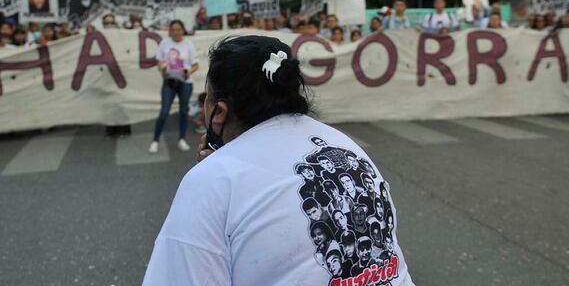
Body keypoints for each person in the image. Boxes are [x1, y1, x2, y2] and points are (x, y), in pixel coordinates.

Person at [142, 35, 414, 285]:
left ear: (219, 111)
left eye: (207, 98)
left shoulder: (212, 181)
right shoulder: (344, 145)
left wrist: (214, 175)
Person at [149, 20, 199, 153]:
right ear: (170, 31)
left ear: (183, 30)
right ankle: (155, 140)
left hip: (185, 82)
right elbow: (159, 62)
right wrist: (163, 69)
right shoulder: (164, 43)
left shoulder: (188, 44)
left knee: (183, 111)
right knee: (164, 111)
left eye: (178, 29)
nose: (176, 32)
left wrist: (188, 73)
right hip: (169, 82)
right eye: (173, 29)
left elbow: (195, 65)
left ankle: (182, 139)